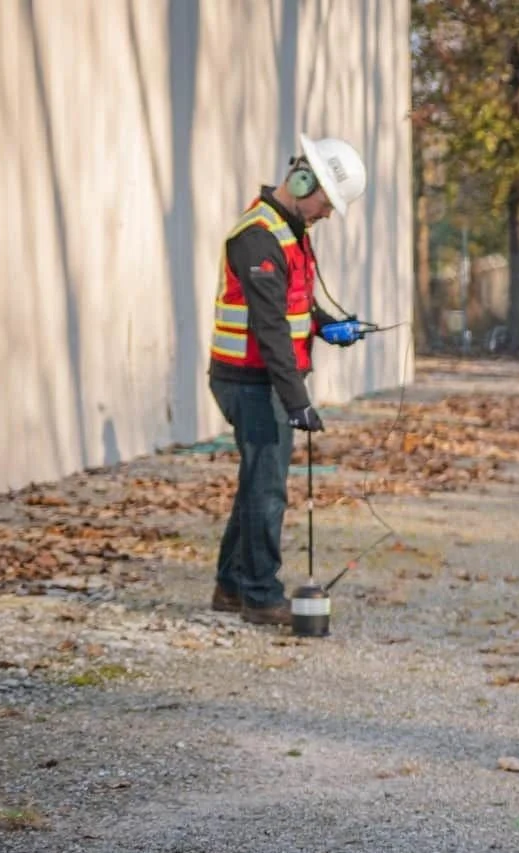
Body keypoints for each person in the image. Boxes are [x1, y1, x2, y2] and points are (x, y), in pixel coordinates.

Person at [206, 134, 369, 626]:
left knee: (258, 482)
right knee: (267, 488)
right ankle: (259, 595)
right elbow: (270, 327)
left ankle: (232, 587)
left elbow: (294, 303)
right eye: (327, 202)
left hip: (265, 379)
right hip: (249, 381)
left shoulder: (289, 230)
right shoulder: (257, 236)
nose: (328, 214)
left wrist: (326, 324)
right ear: (303, 180)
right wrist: (297, 401)